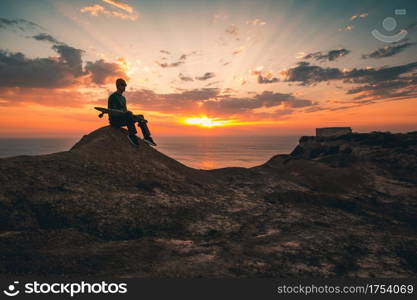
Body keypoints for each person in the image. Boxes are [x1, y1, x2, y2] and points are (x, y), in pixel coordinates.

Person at [107, 78, 157, 147]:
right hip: (115, 120)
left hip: (123, 118)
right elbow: (113, 112)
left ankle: (147, 137)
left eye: (125, 85)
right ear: (118, 86)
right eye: (123, 85)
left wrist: (135, 117)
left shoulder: (123, 98)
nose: (125, 87)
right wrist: (127, 114)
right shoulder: (113, 97)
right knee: (129, 114)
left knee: (140, 116)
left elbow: (125, 111)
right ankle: (132, 135)